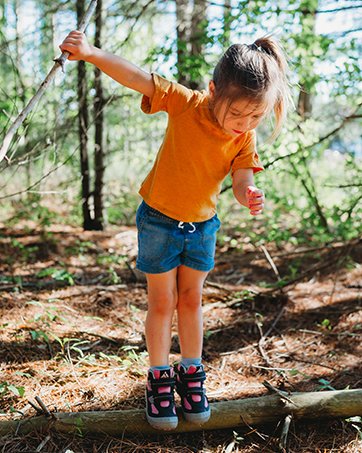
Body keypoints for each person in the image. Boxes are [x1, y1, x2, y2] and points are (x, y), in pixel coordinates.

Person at [59, 30, 291, 430]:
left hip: (202, 228)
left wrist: (249, 192)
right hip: (159, 222)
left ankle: (191, 373)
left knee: (191, 301)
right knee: (162, 303)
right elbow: (137, 78)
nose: (244, 124)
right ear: (213, 89)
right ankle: (159, 378)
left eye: (255, 116)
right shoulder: (187, 104)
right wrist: (91, 53)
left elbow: (240, 179)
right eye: (237, 114)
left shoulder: (244, 135)